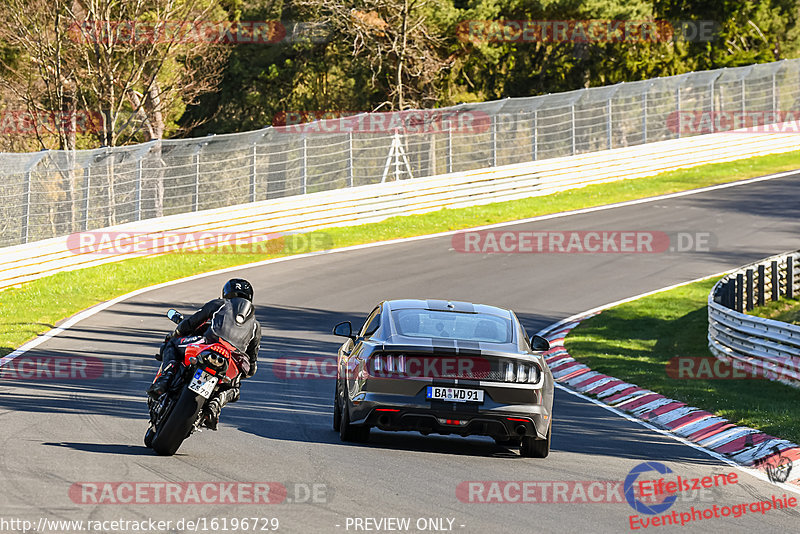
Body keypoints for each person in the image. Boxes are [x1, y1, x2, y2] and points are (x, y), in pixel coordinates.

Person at [147, 278, 261, 430]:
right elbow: (252, 365)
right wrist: (241, 373)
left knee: (172, 345)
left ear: (226, 293)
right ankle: (216, 404)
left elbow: (190, 323)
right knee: (235, 388)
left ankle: (164, 380)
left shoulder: (219, 305)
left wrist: (177, 333)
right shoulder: (255, 326)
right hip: (231, 359)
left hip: (208, 344)